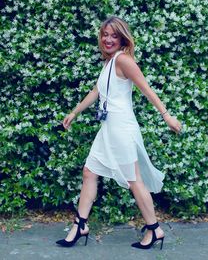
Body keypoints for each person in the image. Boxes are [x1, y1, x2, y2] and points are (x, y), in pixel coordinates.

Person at [56, 16, 182, 250]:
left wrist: (167, 116)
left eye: (114, 35)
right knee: (89, 172)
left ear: (123, 38)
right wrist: (74, 112)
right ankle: (80, 224)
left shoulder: (124, 60)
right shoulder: (110, 62)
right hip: (108, 130)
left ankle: (155, 229)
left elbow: (146, 89)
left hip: (121, 129)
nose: (108, 39)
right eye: (105, 35)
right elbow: (97, 90)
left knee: (134, 181)